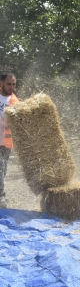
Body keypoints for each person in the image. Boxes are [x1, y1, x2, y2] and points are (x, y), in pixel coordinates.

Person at [0, 72, 18, 208]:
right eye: (9, 84)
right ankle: (2, 197)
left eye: (14, 84)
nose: (11, 87)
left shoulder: (16, 103)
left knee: (3, 169)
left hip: (6, 142)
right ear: (1, 83)